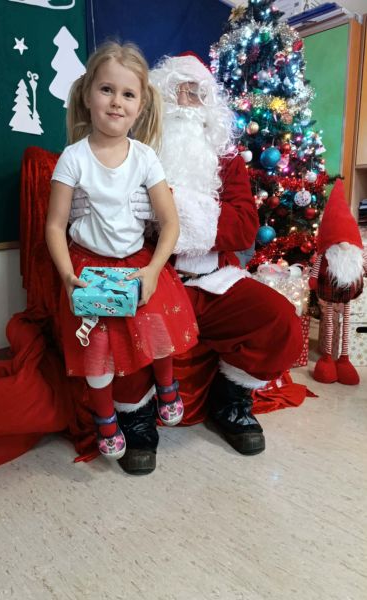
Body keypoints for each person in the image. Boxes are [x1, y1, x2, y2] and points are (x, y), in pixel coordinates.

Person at [96, 52, 303, 473]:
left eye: (198, 94)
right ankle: (136, 417)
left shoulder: (227, 161)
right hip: (157, 281)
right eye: (180, 91)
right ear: (160, 97)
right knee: (122, 321)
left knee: (280, 319)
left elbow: (244, 227)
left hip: (214, 281)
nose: (188, 102)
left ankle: (230, 401)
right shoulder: (133, 155)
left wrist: (176, 207)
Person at [45, 42, 199, 460]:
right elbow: (55, 225)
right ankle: (105, 417)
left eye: (128, 94)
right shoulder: (72, 159)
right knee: (96, 348)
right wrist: (67, 276)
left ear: (140, 105)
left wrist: (153, 270)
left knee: (156, 326)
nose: (117, 102)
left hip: (137, 263)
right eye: (107, 89)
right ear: (87, 95)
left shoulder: (145, 158)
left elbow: (170, 224)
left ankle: (166, 386)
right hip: (87, 266)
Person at [309, 179, 364, 385]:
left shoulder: (357, 255)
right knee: (329, 319)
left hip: (349, 292)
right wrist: (314, 280)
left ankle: (344, 358)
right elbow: (316, 269)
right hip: (329, 290)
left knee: (346, 322)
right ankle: (327, 357)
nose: (344, 244)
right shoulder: (325, 255)